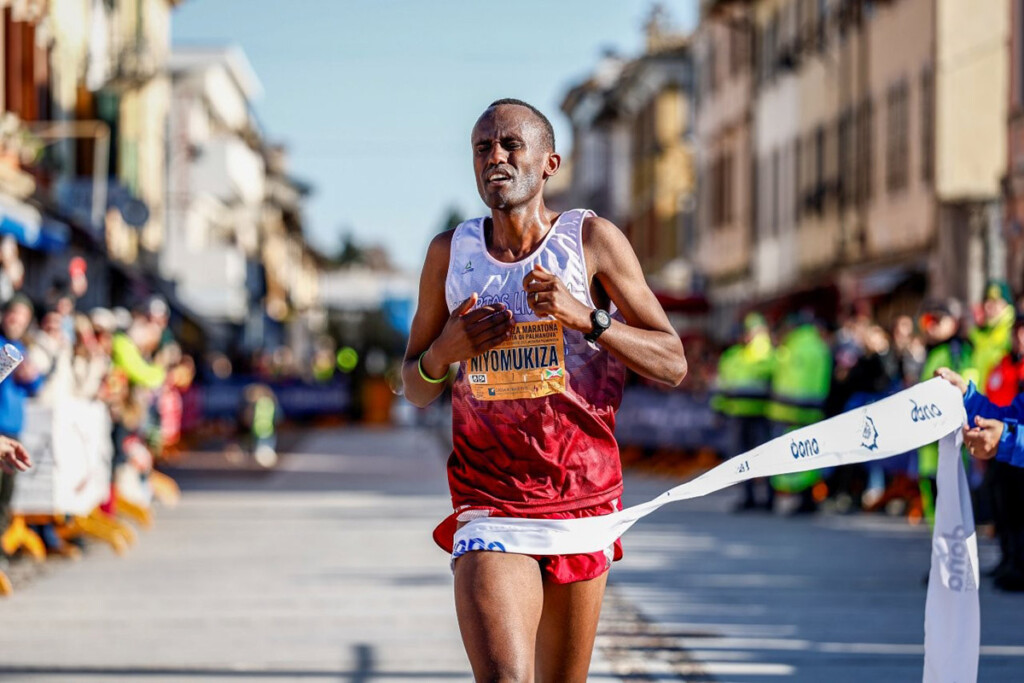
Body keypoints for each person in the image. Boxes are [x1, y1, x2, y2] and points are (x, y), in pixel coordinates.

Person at [401, 98, 686, 681]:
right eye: (482, 148)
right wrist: (444, 353)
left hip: (581, 496)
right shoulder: (449, 253)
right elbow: (415, 386)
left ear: (550, 162)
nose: (495, 158)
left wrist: (589, 319)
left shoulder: (591, 240)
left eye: (511, 145)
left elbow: (673, 361)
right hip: (490, 501)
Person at [917, 298, 975, 525]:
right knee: (935, 504)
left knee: (951, 511)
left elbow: (959, 392)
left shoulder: (956, 351)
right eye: (927, 320)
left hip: (947, 443)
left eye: (938, 320)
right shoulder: (934, 350)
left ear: (954, 322)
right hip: (929, 445)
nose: (931, 325)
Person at [713, 313, 774, 511]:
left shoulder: (769, 355)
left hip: (763, 414)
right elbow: (722, 386)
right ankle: (748, 496)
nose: (748, 336)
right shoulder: (732, 357)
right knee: (741, 457)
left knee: (765, 457)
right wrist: (719, 410)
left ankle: (768, 498)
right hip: (738, 414)